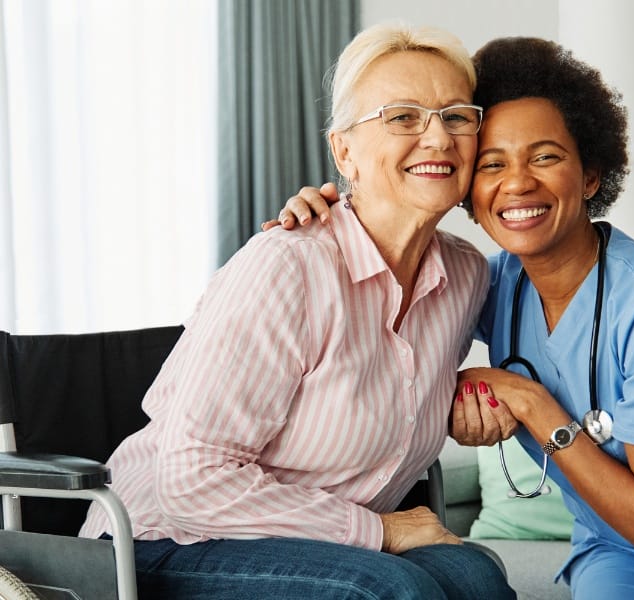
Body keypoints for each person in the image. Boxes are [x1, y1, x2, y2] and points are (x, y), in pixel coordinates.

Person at [272, 36, 634, 599]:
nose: (517, 183)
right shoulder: (488, 282)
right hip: (617, 546)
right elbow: (388, 300)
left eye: (545, 157)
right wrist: (333, 213)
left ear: (590, 175)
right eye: (492, 164)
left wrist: (531, 404)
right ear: (469, 194)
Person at [79, 22, 515, 600]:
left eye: (457, 116)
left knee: (478, 579)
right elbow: (190, 480)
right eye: (402, 117)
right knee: (390, 591)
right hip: (163, 540)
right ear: (343, 150)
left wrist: (471, 393)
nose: (438, 138)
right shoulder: (289, 266)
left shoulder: (465, 275)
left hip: (320, 544)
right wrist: (379, 530)